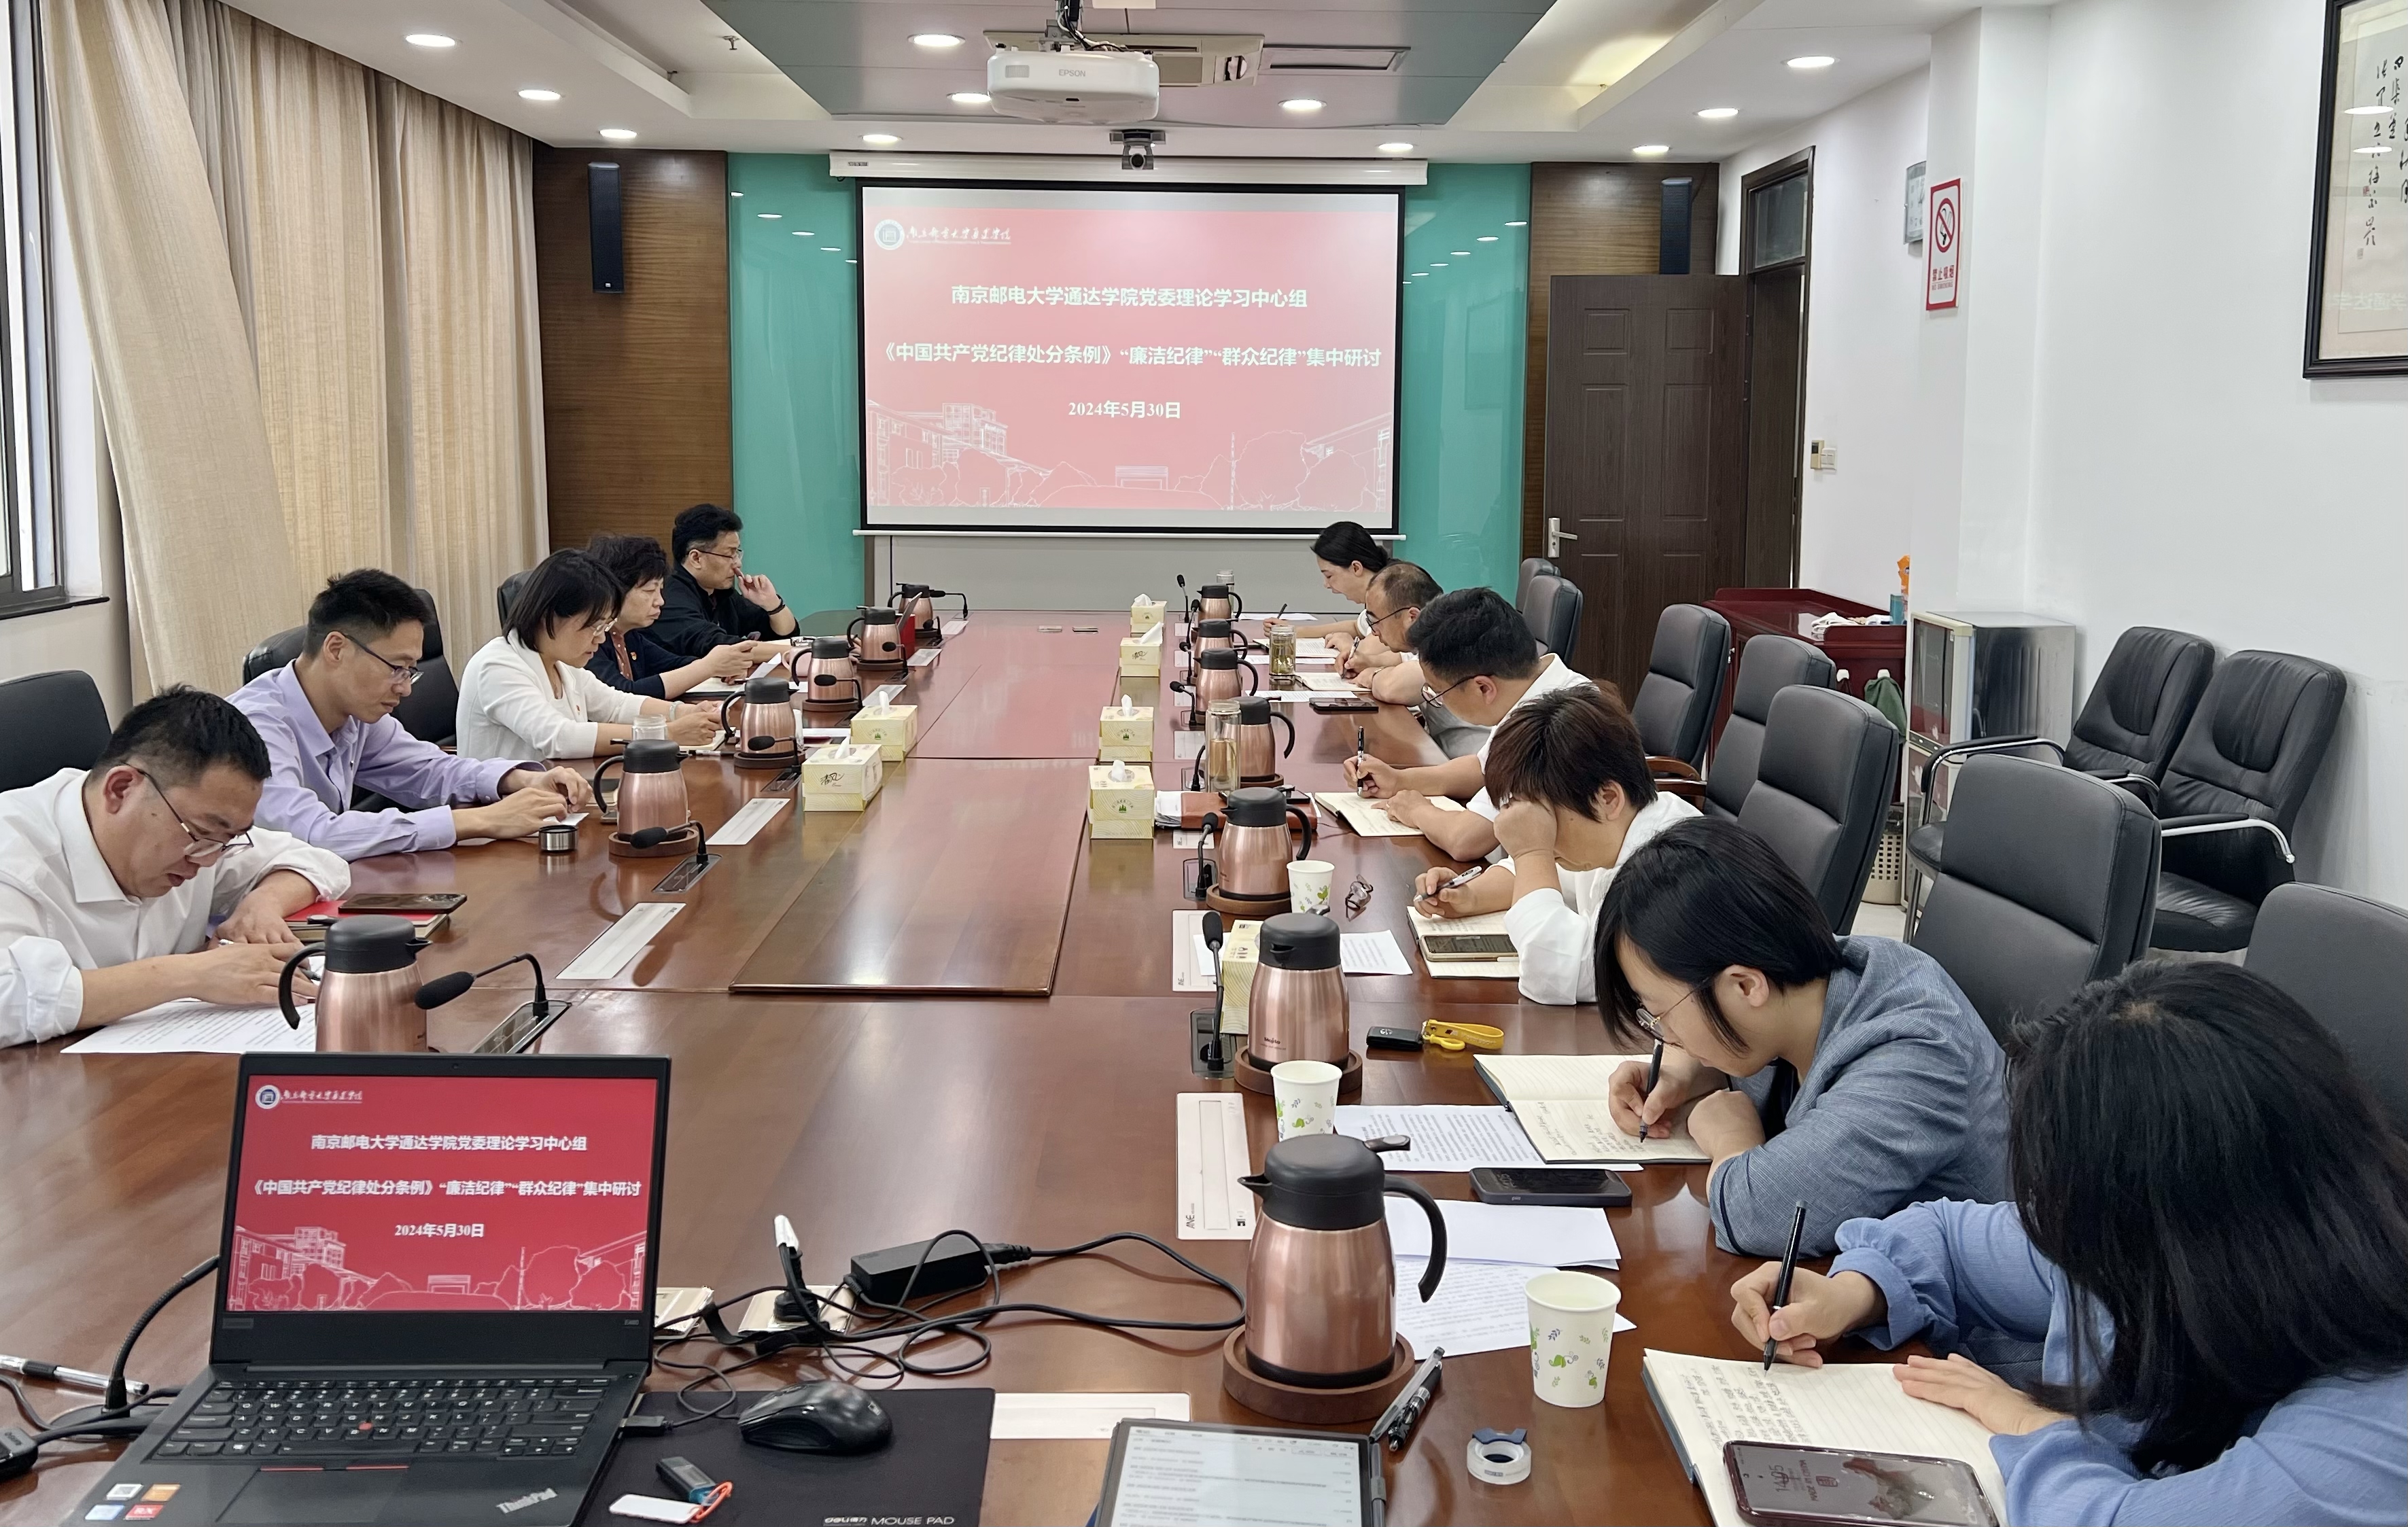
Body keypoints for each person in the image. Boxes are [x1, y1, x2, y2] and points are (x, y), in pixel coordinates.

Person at [1732, 962, 2408, 1525]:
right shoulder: (2165, 1235)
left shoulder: (2376, 1422)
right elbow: (1946, 1237)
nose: (2053, 1237)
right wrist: (1854, 1293)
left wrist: (2032, 1426)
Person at [1598, 817, 2006, 1257]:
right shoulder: (1797, 981)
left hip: (1953, 1299)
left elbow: (1762, 1216)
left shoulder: (1915, 1056)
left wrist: (1730, 1138)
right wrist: (1685, 1071)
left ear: (1745, 987)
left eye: (1662, 1014)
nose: (1667, 1035)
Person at [0, 688, 349, 1047]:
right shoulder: (14, 855)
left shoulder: (198, 832)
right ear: (120, 789)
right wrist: (191, 975)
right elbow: (8, 1000)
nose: (209, 859)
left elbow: (320, 862)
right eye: (200, 833)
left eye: (228, 839)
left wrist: (262, 906)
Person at [233, 570, 595, 859]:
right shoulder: (253, 728)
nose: (405, 689)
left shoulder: (356, 714)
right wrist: (480, 819)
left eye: (411, 672)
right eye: (397, 668)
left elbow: (428, 769)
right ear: (337, 649)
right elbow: (311, 834)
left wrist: (519, 780)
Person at [1415, 686, 1698, 1004]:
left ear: (1607, 799)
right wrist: (1472, 896)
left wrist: (1531, 851)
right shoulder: (1610, 832)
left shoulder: (1670, 866)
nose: (1543, 837)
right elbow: (1552, 875)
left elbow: (1558, 976)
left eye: (1545, 822)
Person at [1340, 586, 1592, 862]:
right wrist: (1400, 780)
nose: (1437, 700)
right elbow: (1483, 767)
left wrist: (1417, 810)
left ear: (1483, 688)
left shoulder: (1549, 725)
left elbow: (1465, 839)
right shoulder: (1543, 687)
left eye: (1438, 692)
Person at [455, 550, 720, 761]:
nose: (601, 638)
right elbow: (559, 737)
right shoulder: (498, 666)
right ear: (549, 616)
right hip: (504, 806)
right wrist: (665, 733)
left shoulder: (560, 661)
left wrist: (682, 712)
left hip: (558, 792)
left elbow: (615, 705)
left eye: (605, 626)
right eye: (594, 626)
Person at [584, 533, 759, 700]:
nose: (660, 601)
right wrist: (708, 667)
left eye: (660, 590)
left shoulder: (629, 635)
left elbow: (672, 663)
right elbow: (623, 696)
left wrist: (720, 668)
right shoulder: (590, 641)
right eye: (649, 591)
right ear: (614, 590)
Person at [652, 503, 799, 656]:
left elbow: (785, 634)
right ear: (696, 558)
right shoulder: (669, 600)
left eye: (737, 553)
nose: (738, 563)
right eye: (730, 554)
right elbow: (721, 648)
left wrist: (772, 604)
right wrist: (799, 652)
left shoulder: (721, 594)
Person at [1272, 521, 1391, 656]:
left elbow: (1369, 652)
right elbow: (1357, 627)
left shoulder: (1392, 591)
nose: (1326, 584)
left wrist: (1349, 646)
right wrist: (1296, 631)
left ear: (1356, 568)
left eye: (1329, 576)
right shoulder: (1379, 585)